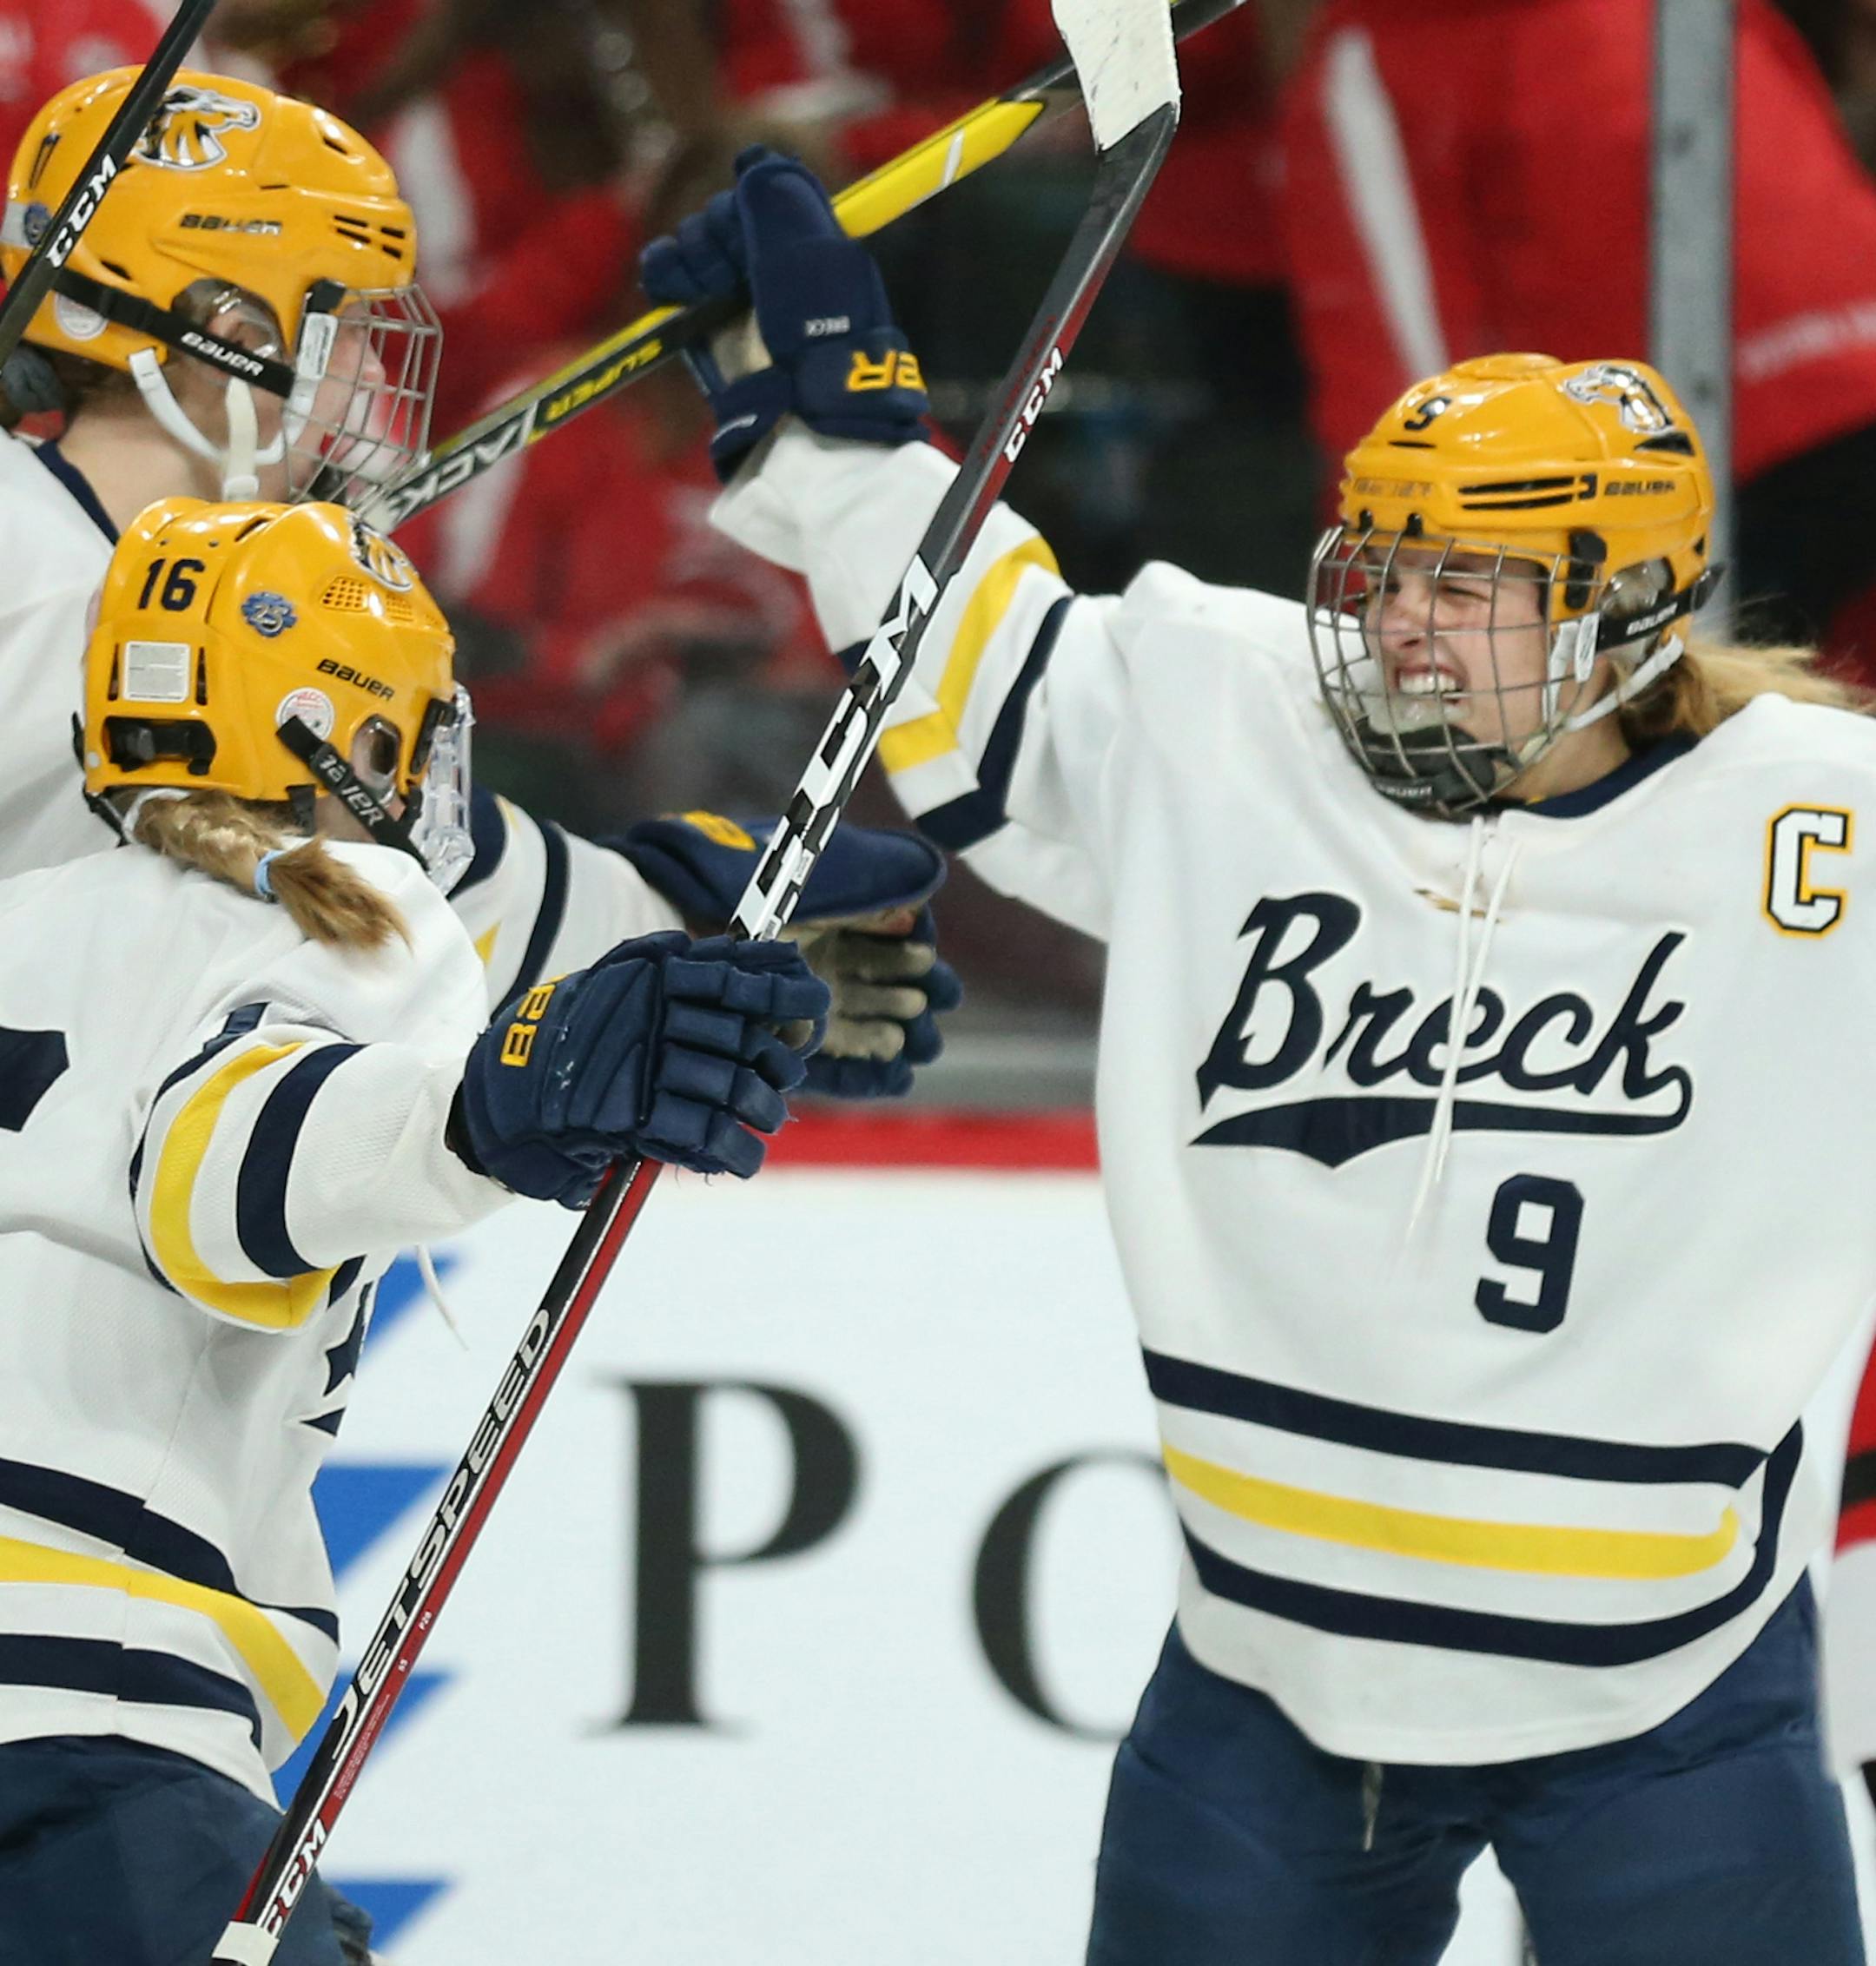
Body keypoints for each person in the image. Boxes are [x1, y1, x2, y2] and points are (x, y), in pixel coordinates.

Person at [641, 148, 1876, 1964]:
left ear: (1624, 606)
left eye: (1469, 584)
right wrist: (821, 426)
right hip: (1268, 1680)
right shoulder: (1240, 716)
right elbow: (989, 656)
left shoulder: (1824, 837)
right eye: (1382, 569)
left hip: (1669, 1704)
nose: (1397, 625)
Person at [0, 494, 829, 1964]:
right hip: (85, 1734)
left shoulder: (25, 916)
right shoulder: (346, 916)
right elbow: (226, 1164)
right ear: (346, 736)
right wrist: (495, 1109)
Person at [0, 65, 959, 1087]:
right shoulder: (61, 574)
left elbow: (409, 877)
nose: (373, 376)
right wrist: (674, 918)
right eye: (350, 330)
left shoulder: (220, 605)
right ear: (232, 337)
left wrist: (668, 939)